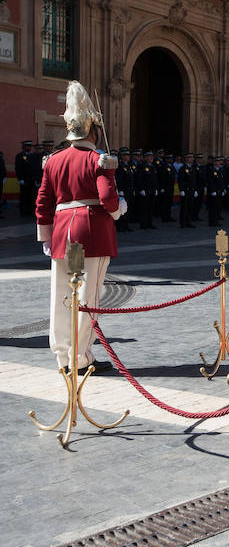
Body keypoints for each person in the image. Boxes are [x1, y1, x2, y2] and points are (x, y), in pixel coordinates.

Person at [35, 81, 126, 373]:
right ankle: (82, 358)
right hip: (92, 233)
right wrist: (120, 209)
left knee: (61, 295)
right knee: (87, 298)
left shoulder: (53, 161)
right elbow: (108, 200)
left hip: (62, 233)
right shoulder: (98, 160)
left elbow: (43, 202)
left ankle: (62, 355)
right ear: (93, 131)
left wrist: (45, 237)